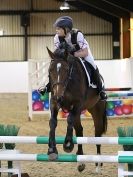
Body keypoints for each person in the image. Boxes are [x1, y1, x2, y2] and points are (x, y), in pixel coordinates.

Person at [39, 16, 107, 101]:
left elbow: (85, 52)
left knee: (93, 65)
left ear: (66, 29)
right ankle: (47, 86)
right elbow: (57, 53)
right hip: (67, 56)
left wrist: (73, 54)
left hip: (81, 53)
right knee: (55, 67)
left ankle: (101, 91)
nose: (56, 30)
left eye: (59, 29)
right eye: (56, 28)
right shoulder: (56, 37)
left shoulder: (78, 35)